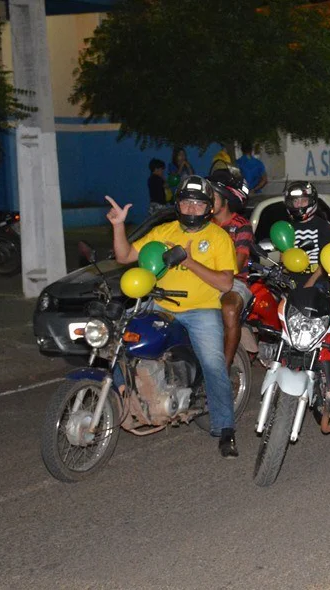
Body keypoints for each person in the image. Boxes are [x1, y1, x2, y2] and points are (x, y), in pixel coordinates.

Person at [105, 176, 239, 457]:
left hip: (201, 310)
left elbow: (226, 283)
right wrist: (118, 226)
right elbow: (125, 255)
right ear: (178, 205)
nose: (191, 209)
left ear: (208, 208)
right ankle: (128, 397)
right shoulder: (164, 231)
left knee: (214, 365)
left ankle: (225, 429)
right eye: (186, 202)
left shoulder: (218, 237)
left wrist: (188, 261)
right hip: (160, 304)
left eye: (198, 204)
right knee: (115, 337)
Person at [207, 166, 254, 377]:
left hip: (235, 282)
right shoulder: (204, 224)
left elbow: (238, 262)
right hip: (203, 279)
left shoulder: (241, 225)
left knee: (230, 310)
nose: (208, 200)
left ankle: (223, 371)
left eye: (213, 196)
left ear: (225, 198)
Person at [284, 181, 330, 289]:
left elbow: (326, 261)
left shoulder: (322, 226)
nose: (299, 204)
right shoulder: (288, 228)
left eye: (303, 201)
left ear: (311, 201)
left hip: (317, 281)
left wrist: (310, 284)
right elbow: (284, 256)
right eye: (295, 201)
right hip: (293, 282)